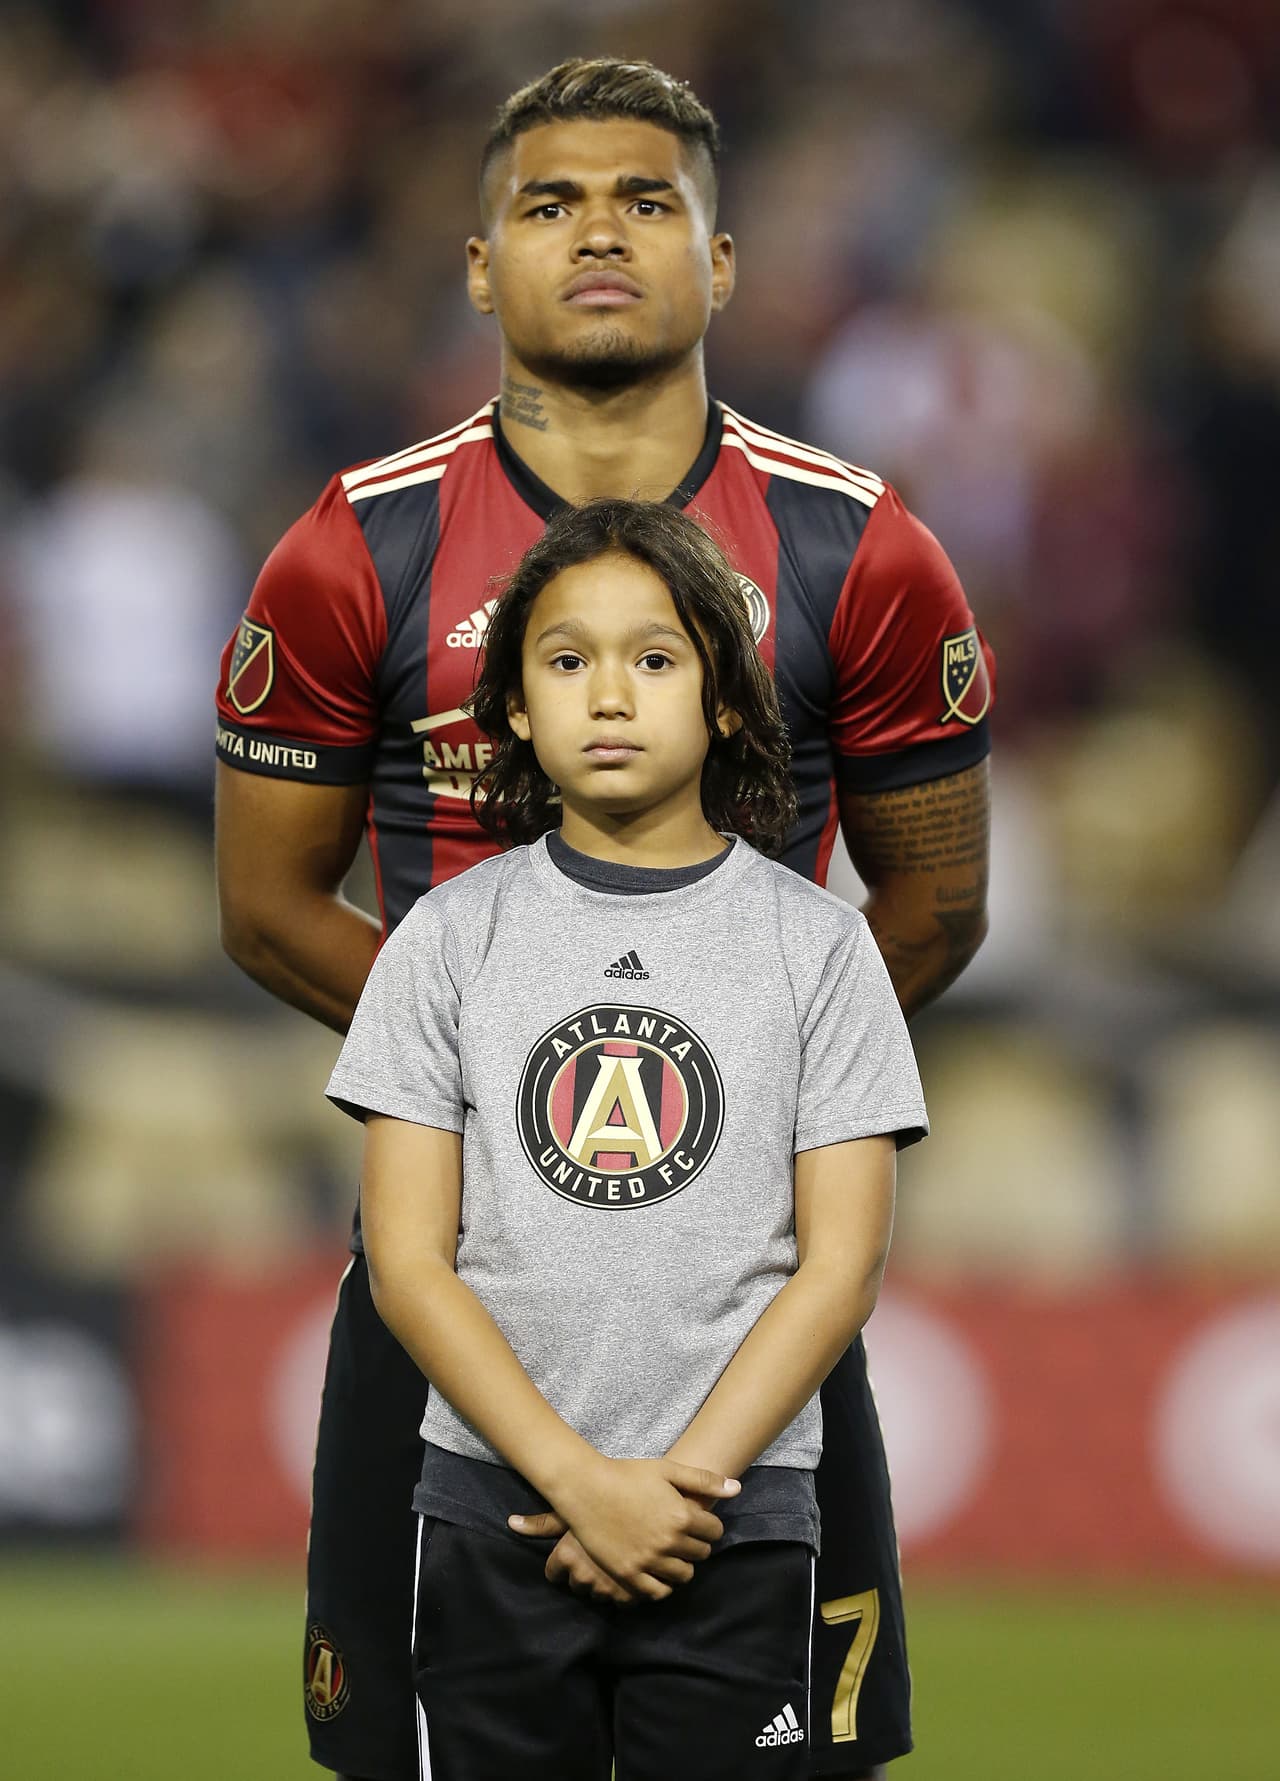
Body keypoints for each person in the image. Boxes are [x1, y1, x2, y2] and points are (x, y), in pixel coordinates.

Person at [214, 56, 995, 1781]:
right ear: (479, 262)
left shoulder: (863, 552)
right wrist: (481, 1076)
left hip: (750, 1293)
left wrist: (753, 1081)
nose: (599, 234)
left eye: (649, 200)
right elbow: (267, 909)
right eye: (549, 202)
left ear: (721, 263)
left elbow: (934, 901)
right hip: (452, 1288)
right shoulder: (352, 551)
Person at [325, 496, 928, 1781]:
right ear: (514, 712)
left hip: (738, 1519)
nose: (608, 694)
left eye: (653, 658)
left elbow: (840, 1266)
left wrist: (683, 1484)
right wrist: (575, 1479)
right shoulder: (442, 940)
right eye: (564, 660)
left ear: (720, 697)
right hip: (489, 1510)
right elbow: (407, 1263)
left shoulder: (819, 946)